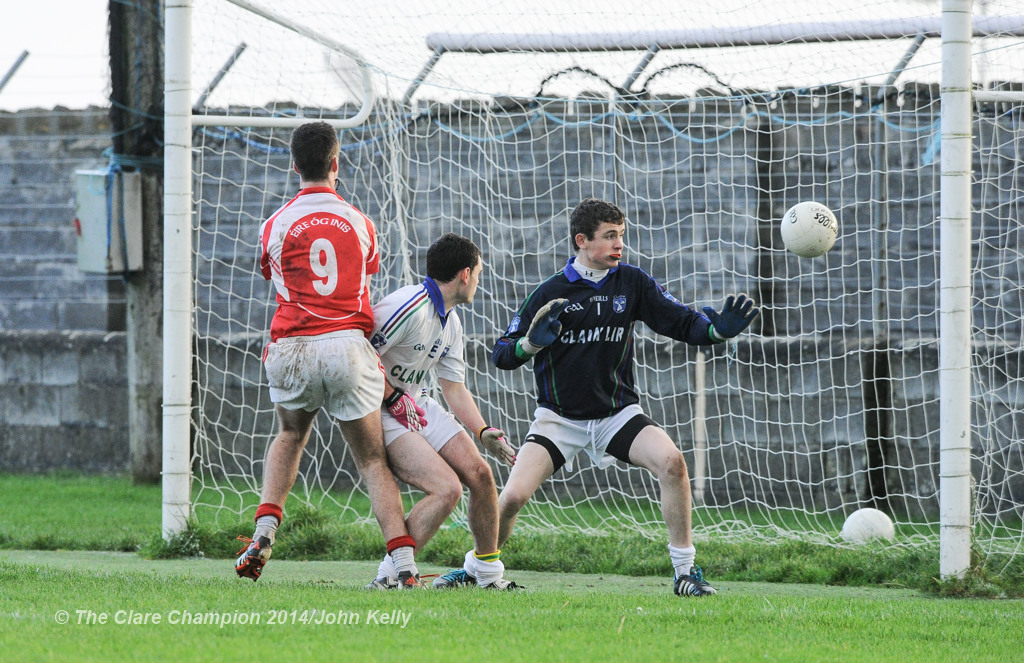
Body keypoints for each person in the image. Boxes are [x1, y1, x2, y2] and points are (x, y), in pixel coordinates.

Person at [491, 198, 759, 597]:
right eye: (610, 236)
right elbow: (502, 353)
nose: (620, 244)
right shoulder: (551, 292)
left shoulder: (632, 282)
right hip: (560, 419)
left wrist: (717, 332)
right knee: (512, 497)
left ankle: (685, 573)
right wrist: (529, 344)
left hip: (617, 414)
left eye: (622, 235)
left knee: (672, 463)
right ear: (582, 241)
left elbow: (681, 321)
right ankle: (478, 568)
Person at [235, 121, 421, 587]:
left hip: (293, 346)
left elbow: (272, 276)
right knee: (372, 460)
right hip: (347, 348)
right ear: (336, 164)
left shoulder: (275, 224)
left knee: (290, 435)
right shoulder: (360, 222)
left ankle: (263, 531)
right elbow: (364, 279)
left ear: (295, 166)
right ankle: (403, 566)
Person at [365, 233, 520, 591]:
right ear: (464, 274)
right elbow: (360, 356)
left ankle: (486, 575)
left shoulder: (451, 321)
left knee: (481, 475)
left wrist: (483, 432)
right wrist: (391, 398)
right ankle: (391, 574)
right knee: (446, 489)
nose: (479, 281)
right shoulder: (406, 306)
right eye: (478, 273)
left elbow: (453, 388)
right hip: (380, 410)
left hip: (415, 405)